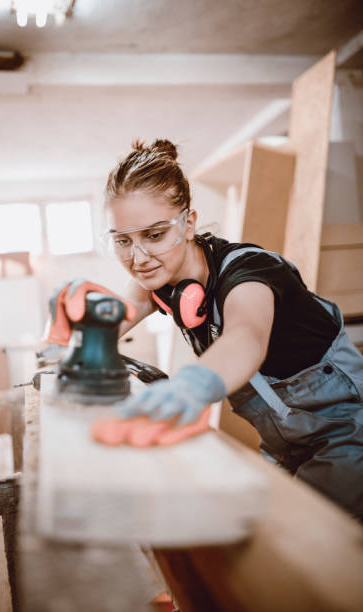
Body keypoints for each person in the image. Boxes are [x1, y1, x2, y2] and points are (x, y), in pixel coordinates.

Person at [80, 138, 363, 521]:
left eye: (154, 235)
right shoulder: (158, 282)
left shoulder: (251, 273)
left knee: (313, 542)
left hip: (348, 432)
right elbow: (109, 323)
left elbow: (244, 339)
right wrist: (75, 343)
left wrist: (190, 385)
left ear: (189, 223)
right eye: (122, 241)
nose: (138, 258)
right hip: (287, 443)